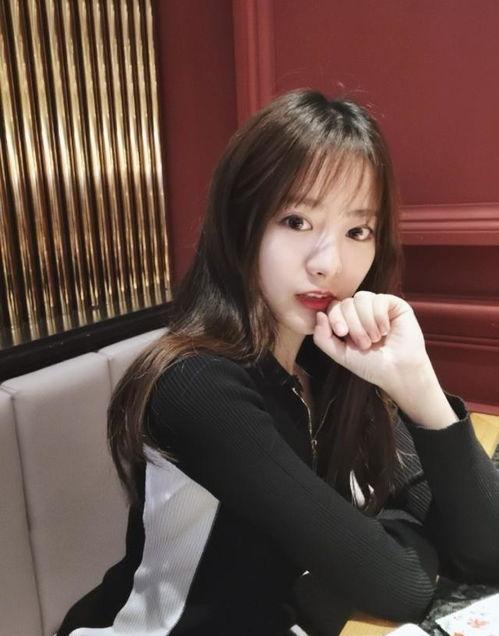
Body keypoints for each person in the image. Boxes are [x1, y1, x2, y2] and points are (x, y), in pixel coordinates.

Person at [57, 90, 499, 636]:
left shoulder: (328, 359)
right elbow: (402, 584)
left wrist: (418, 387)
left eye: (357, 231)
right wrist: (407, 535)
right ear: (241, 221)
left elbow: (485, 548)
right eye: (296, 220)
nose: (328, 263)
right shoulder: (196, 384)